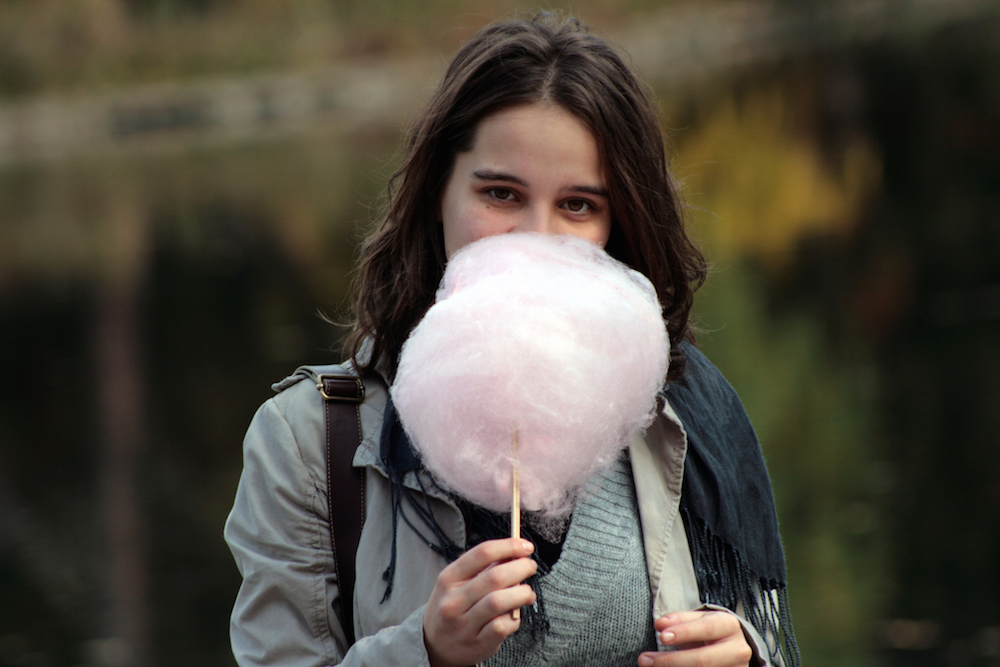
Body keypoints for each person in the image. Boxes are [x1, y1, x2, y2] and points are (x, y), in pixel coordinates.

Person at [224, 13, 799, 667]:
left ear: (620, 226)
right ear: (436, 194)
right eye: (501, 193)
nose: (536, 235)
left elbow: (762, 631)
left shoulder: (669, 407)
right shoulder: (304, 441)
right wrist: (426, 649)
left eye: (578, 204)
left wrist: (747, 657)